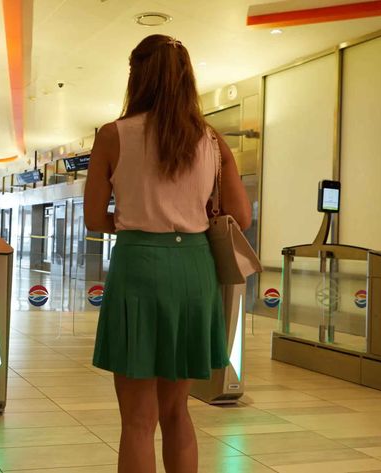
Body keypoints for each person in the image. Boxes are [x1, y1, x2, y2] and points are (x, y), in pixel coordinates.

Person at [84, 34, 251, 473]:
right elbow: (241, 217)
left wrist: (137, 213)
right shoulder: (211, 140)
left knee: (138, 421)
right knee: (178, 411)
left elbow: (94, 219)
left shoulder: (113, 135)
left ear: (137, 77)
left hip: (138, 266)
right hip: (194, 271)